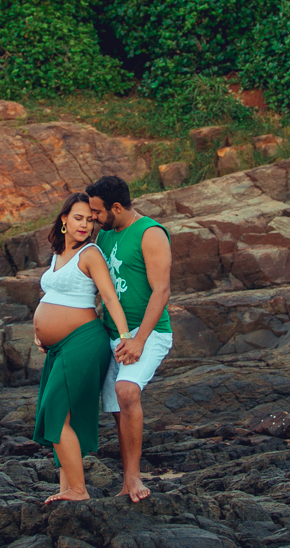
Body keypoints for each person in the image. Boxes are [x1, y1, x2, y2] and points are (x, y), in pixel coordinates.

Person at [32, 192, 133, 504]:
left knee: (55, 412)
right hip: (59, 347)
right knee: (64, 416)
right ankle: (68, 487)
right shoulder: (58, 254)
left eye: (90, 219)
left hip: (84, 341)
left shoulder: (90, 253)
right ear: (64, 219)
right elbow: (54, 297)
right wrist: (40, 333)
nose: (85, 224)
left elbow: (109, 296)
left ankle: (79, 490)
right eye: (78, 218)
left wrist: (126, 335)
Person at [85, 175, 172, 503]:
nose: (94, 217)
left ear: (117, 207)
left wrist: (139, 340)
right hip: (113, 333)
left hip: (148, 332)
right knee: (118, 408)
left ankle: (134, 478)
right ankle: (127, 479)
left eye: (97, 211)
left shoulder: (150, 233)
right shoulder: (105, 235)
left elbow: (161, 290)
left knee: (127, 391)